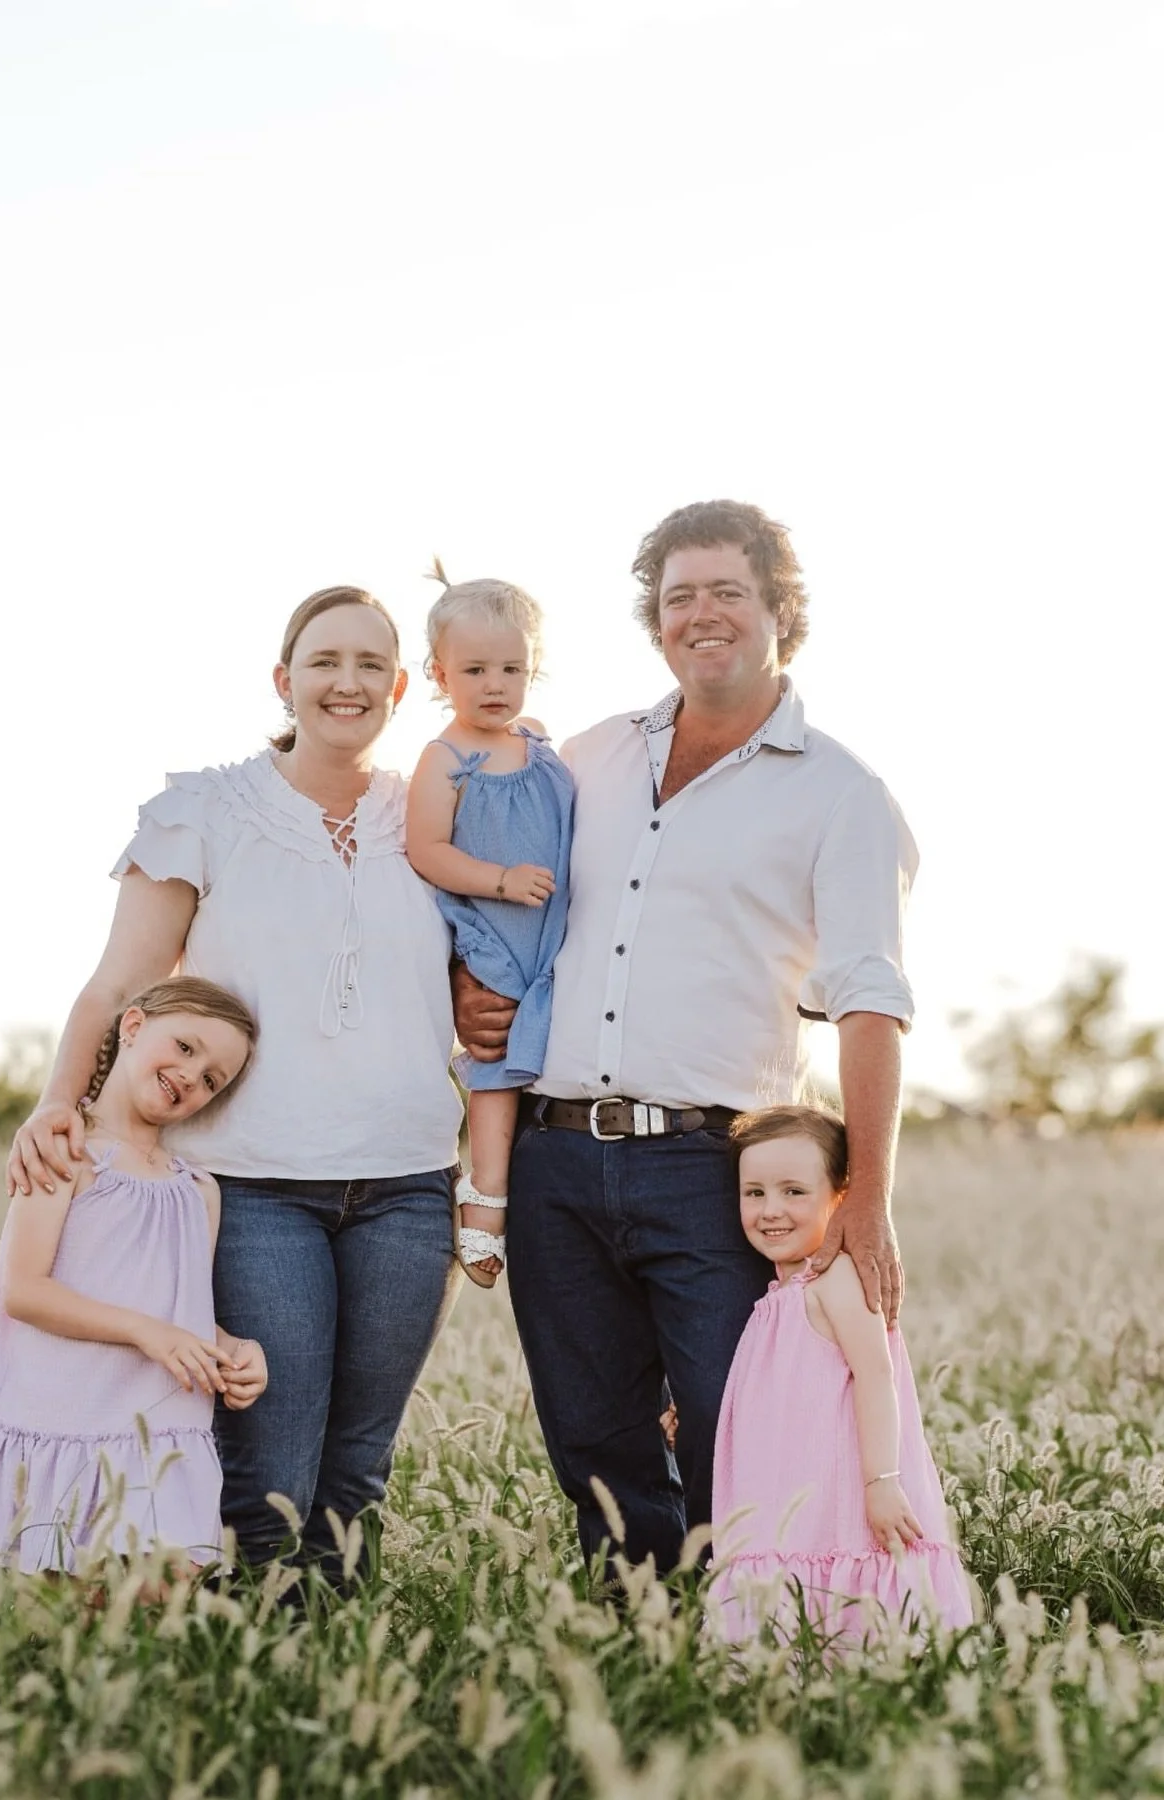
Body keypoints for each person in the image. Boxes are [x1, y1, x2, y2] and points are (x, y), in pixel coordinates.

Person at [454, 499, 919, 1573]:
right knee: (591, 1432)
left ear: (779, 610)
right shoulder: (586, 758)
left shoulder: (842, 793)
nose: (701, 614)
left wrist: (867, 1202)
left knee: (731, 1417)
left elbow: (871, 1002)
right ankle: (641, 1632)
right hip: (556, 1152)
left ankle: (742, 1627)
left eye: (728, 592)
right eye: (679, 597)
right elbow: (504, 913)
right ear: (655, 619)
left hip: (713, 1165)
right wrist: (467, 989)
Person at [5, 587, 461, 1583]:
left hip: (411, 1185)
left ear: (400, 688)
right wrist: (55, 1103)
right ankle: (245, 1653)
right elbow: (117, 987)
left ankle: (332, 1658)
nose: (347, 682)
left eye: (370, 666)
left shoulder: (437, 814)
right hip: (255, 1188)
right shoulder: (204, 812)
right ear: (284, 680)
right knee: (271, 1469)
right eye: (324, 661)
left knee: (357, 1469)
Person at [0, 977, 266, 1575]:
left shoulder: (198, 1191)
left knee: (162, 1594)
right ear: (133, 1026)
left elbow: (181, 1315)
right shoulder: (65, 1152)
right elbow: (25, 1291)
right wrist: (146, 1332)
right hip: (67, 1420)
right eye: (185, 1047)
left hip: (158, 1431)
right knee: (74, 1606)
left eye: (212, 1079)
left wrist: (233, 1350)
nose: (191, 1077)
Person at [706, 1104, 972, 1641]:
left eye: (793, 1191)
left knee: (846, 1589)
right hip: (783, 1489)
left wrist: (882, 1481)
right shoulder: (776, 1295)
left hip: (844, 1492)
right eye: (754, 1192)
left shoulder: (838, 1277)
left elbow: (876, 1376)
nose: (771, 1210)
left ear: (840, 1197)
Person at [405, 563, 573, 1287]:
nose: (495, 684)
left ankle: (548, 1201)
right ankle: (485, 1196)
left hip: (557, 930)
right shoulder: (445, 760)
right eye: (474, 670)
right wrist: (500, 880)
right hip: (497, 928)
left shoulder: (538, 740)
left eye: (512, 668)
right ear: (439, 673)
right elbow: (427, 849)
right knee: (497, 1067)